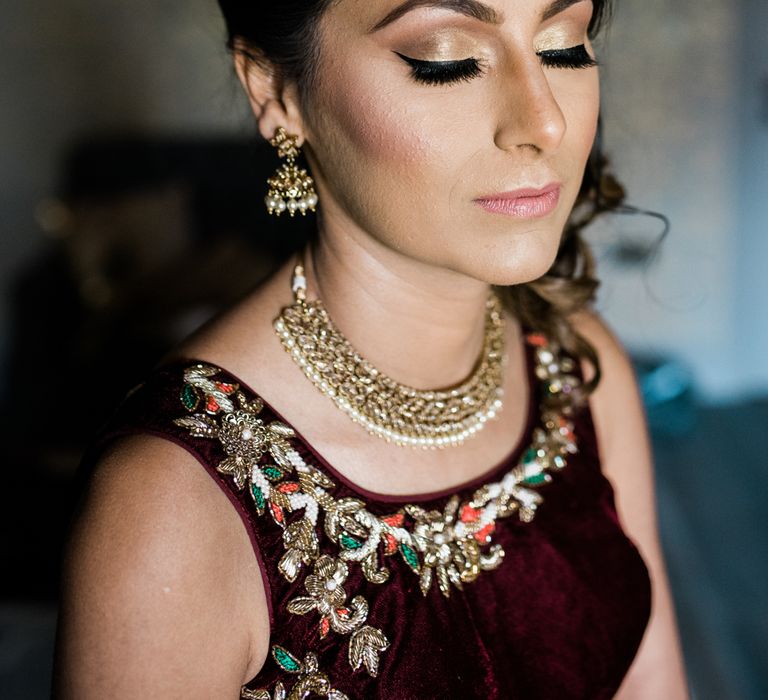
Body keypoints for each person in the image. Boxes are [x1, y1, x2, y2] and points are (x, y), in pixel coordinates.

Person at [53, 0, 690, 697]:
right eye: (447, 60)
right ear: (274, 89)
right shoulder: (172, 503)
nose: (546, 122)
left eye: (564, 46)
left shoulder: (577, 366)